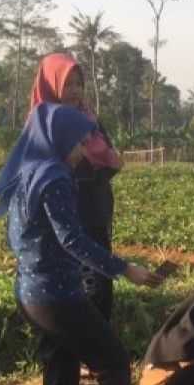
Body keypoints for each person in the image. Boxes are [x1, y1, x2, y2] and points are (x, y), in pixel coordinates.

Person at [0, 103, 162, 385]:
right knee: (112, 361)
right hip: (57, 295)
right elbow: (73, 240)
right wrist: (125, 268)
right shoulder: (55, 178)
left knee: (61, 368)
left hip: (29, 292)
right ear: (61, 138)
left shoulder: (29, 171)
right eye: (81, 143)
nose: (85, 151)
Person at [29, 53, 124, 327]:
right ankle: (91, 350)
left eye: (78, 84)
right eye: (67, 83)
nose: (74, 91)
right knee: (82, 283)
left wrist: (103, 168)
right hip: (67, 216)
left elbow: (110, 159)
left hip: (95, 209)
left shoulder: (89, 118)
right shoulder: (44, 125)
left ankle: (96, 348)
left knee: (100, 282)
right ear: (51, 83)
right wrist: (96, 168)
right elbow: (59, 170)